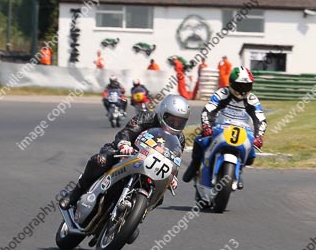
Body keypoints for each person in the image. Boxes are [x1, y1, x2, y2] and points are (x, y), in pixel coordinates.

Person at [60, 94, 190, 211]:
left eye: (179, 122)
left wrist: (174, 176)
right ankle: (75, 193)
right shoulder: (146, 117)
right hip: (126, 154)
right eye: (172, 119)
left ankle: (136, 215)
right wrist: (124, 144)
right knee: (101, 161)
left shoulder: (180, 139)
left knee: (160, 197)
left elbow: (175, 159)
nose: (175, 124)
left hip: (151, 168)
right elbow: (127, 132)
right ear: (163, 112)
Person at [182, 66, 266, 186]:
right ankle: (195, 165)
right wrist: (207, 126)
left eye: (246, 86)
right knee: (200, 140)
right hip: (220, 127)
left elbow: (260, 119)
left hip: (243, 131)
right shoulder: (222, 93)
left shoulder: (252, 99)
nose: (243, 90)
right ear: (231, 84)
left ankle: (239, 171)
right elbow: (208, 110)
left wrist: (259, 136)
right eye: (240, 86)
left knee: (251, 155)